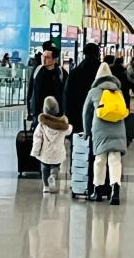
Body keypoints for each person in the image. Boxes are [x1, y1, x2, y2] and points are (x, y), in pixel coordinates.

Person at [82, 62, 127, 206]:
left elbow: (86, 113)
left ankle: (97, 191)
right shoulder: (118, 91)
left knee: (100, 160)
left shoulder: (94, 91)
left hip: (100, 129)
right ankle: (115, 191)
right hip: (118, 127)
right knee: (115, 160)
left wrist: (86, 131)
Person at [31, 96, 72, 194]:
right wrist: (68, 125)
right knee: (56, 166)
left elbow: (37, 138)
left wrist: (35, 151)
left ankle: (46, 186)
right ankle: (53, 175)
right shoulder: (62, 124)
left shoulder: (42, 124)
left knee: (44, 167)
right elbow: (69, 131)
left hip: (45, 152)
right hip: (58, 152)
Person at [63, 43, 101, 135]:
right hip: (100, 116)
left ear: (84, 54)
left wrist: (68, 117)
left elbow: (68, 96)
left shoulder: (75, 72)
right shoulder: (103, 73)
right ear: (98, 54)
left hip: (78, 116)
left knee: (79, 141)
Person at [28, 42, 68, 124]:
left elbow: (66, 93)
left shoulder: (61, 73)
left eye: (47, 57)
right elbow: (30, 90)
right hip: (38, 112)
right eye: (43, 56)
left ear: (55, 60)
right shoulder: (37, 70)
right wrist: (30, 111)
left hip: (56, 113)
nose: (43, 59)